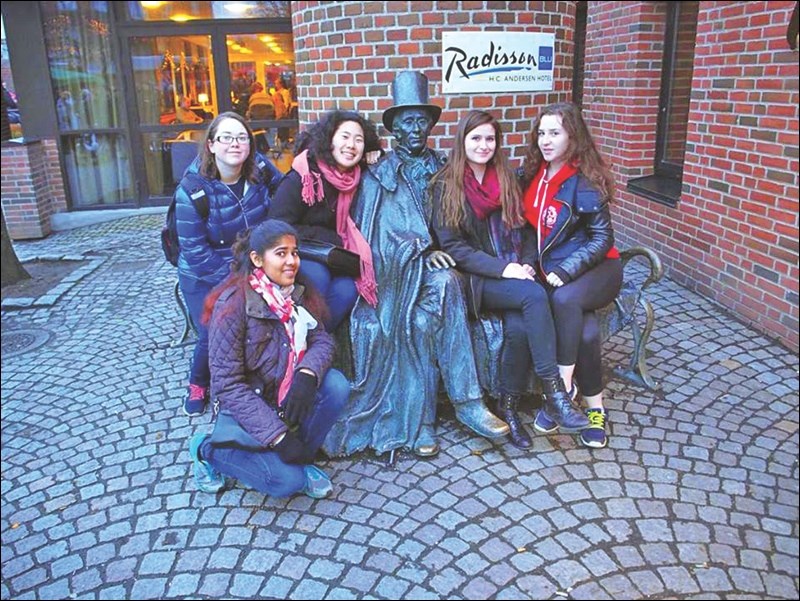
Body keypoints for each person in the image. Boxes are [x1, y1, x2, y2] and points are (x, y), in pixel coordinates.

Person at [322, 71, 509, 458]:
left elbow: (463, 222)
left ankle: (466, 403)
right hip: (396, 275)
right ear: (394, 129)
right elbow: (374, 237)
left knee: (441, 292)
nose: (416, 128)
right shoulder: (379, 173)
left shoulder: (444, 166)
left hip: (443, 268)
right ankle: (421, 421)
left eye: (422, 121)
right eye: (407, 121)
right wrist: (419, 252)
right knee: (428, 303)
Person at [430, 110, 590, 448]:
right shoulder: (446, 184)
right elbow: (454, 247)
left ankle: (509, 408)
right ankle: (556, 394)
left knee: (518, 327)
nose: (483, 145)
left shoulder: (506, 177)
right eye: (476, 138)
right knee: (534, 297)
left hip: (515, 273)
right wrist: (505, 270)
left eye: (490, 139)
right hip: (476, 280)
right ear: (462, 141)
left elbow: (527, 228)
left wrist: (527, 263)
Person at [188, 220, 348, 498]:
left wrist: (306, 374)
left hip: (281, 399)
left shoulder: (296, 293)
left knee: (335, 385)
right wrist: (279, 437)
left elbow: (321, 339)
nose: (292, 261)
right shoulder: (233, 305)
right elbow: (227, 385)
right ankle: (206, 449)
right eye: (281, 253)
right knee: (286, 483)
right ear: (257, 259)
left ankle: (302, 458)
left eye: (295, 252)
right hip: (246, 409)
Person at [520, 102, 623, 449]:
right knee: (588, 331)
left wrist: (566, 269)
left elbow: (602, 238)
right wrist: (530, 264)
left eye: (555, 132)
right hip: (557, 275)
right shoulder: (535, 176)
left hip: (597, 269)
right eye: (542, 132)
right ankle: (596, 410)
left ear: (572, 136)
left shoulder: (583, 180)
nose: (546, 140)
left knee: (565, 300)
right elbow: (532, 233)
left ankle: (561, 392)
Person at [176, 111, 282, 417]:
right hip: (203, 273)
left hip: (250, 263)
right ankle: (198, 382)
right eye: (226, 137)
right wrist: (240, 280)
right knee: (215, 328)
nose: (235, 144)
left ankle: (253, 376)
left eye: (242, 137)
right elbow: (194, 251)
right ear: (211, 145)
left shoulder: (261, 168)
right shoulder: (193, 190)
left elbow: (288, 191)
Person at [269, 110, 381, 331]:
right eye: (345, 136)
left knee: (348, 289)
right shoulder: (305, 175)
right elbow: (277, 225)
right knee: (317, 277)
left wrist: (379, 154)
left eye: (359, 140)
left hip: (338, 255)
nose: (351, 145)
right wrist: (331, 238)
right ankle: (292, 340)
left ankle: (316, 342)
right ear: (329, 140)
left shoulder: (359, 176)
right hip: (303, 250)